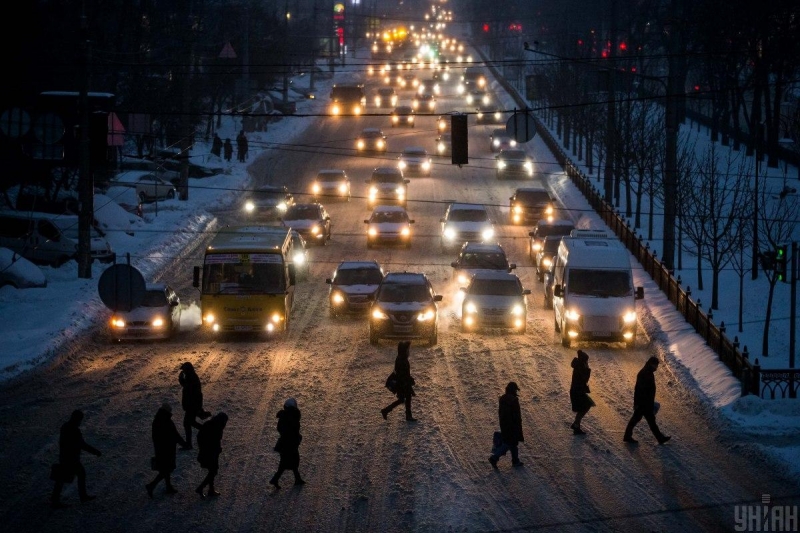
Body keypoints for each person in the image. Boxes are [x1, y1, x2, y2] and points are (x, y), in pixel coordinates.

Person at [51, 410, 102, 509]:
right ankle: (80, 497)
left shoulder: (65, 426)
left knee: (62, 477)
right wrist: (95, 451)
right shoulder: (74, 430)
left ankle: (56, 498)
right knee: (76, 475)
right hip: (72, 458)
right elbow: (82, 444)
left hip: (64, 457)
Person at [623, 357, 671, 444]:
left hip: (646, 403)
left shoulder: (648, 372)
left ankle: (660, 438)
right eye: (656, 365)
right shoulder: (644, 373)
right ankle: (660, 438)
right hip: (643, 403)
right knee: (642, 420)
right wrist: (637, 403)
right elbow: (638, 390)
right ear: (651, 364)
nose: (656, 367)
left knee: (646, 420)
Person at [146, 403, 187, 498]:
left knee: (165, 469)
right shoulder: (166, 421)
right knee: (167, 469)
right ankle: (152, 485)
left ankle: (168, 487)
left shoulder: (157, 420)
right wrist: (184, 444)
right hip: (167, 449)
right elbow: (174, 434)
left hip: (160, 449)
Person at [269, 398, 305, 489]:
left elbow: (280, 429)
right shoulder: (292, 416)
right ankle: (277, 479)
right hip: (290, 443)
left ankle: (296, 478)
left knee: (288, 461)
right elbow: (293, 429)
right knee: (291, 460)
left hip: (285, 443)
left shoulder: (284, 416)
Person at [489, 382, 524, 468]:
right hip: (512, 426)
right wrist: (518, 428)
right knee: (509, 443)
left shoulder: (502, 398)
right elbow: (517, 416)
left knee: (512, 443)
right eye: (516, 390)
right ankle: (494, 457)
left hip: (504, 424)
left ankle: (515, 460)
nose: (516, 391)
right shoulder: (514, 400)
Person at [380, 341, 416, 422]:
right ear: (404, 351)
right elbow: (402, 374)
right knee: (405, 398)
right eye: (408, 350)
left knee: (403, 399)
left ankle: (386, 411)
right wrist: (408, 382)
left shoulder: (402, 358)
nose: (409, 351)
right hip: (402, 384)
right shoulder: (402, 360)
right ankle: (408, 416)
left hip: (403, 383)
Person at [195, 412, 228, 498]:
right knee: (213, 471)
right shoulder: (217, 428)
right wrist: (216, 449)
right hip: (211, 453)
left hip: (207, 452)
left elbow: (199, 436)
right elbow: (215, 442)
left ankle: (211, 489)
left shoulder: (209, 424)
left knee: (212, 471)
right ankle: (202, 488)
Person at [179, 362, 210, 449]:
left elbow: (188, 388)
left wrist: (181, 379)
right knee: (190, 423)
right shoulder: (191, 376)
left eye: (184, 370)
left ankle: (189, 444)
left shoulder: (191, 377)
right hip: (192, 406)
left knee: (187, 423)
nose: (183, 372)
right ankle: (207, 432)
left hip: (191, 406)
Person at [569, 350, 595, 435]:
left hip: (577, 391)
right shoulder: (580, 367)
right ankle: (576, 424)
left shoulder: (578, 366)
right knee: (586, 406)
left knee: (584, 407)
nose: (587, 362)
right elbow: (585, 379)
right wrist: (588, 369)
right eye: (586, 360)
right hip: (578, 391)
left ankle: (576, 425)